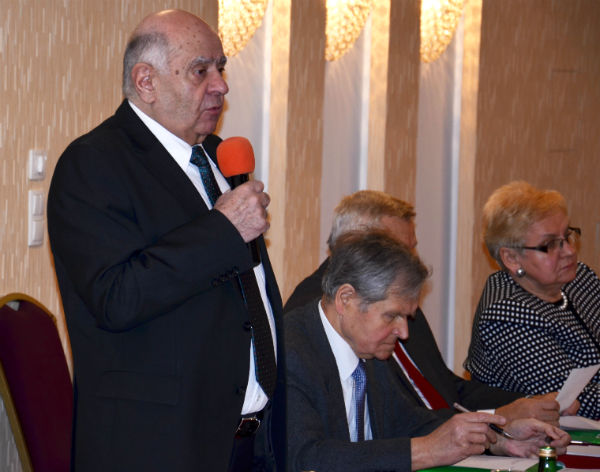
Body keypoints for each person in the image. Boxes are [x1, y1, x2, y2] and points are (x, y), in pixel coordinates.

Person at [47, 9, 283, 471]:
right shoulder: (93, 163)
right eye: (200, 70)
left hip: (249, 442)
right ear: (146, 82)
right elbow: (115, 298)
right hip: (158, 447)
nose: (221, 86)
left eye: (221, 68)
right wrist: (223, 230)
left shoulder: (216, 155)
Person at [285, 231, 569, 472]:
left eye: (406, 317)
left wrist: (498, 438)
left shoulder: (367, 346)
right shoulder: (290, 350)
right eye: (392, 316)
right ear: (346, 299)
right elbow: (306, 458)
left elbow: (408, 422)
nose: (404, 332)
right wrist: (425, 451)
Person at [285, 190, 574, 424]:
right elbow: (391, 422)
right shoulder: (323, 315)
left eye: (412, 248)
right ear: (359, 247)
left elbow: (444, 386)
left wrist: (521, 404)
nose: (414, 260)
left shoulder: (396, 297)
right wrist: (496, 418)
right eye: (401, 250)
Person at [465, 181, 600, 419]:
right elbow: (569, 402)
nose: (569, 251)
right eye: (550, 245)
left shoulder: (581, 278)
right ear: (511, 258)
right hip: (546, 434)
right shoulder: (506, 314)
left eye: (567, 236)